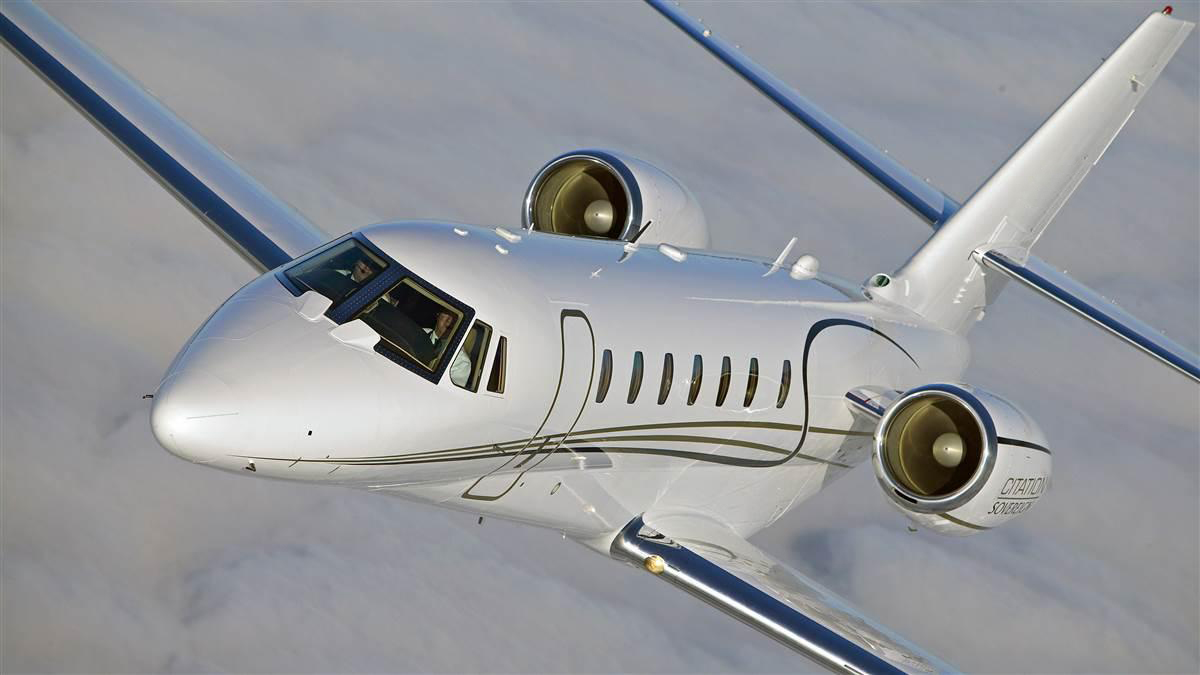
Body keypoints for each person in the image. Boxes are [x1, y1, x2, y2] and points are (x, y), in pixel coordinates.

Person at [426, 310, 471, 386]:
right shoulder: (417, 333)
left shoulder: (462, 361)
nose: (449, 321)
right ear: (438, 314)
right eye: (447, 313)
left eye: (456, 317)